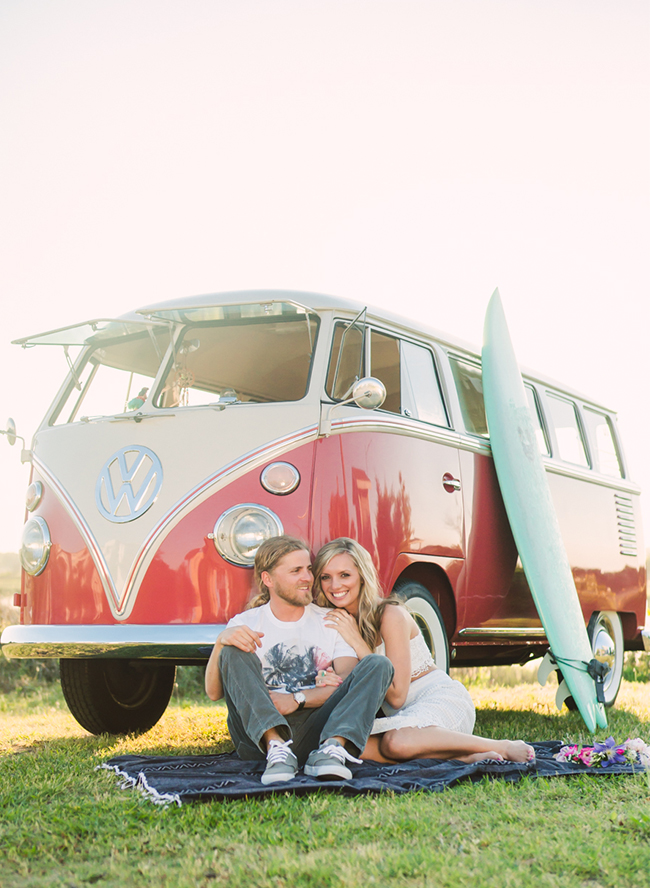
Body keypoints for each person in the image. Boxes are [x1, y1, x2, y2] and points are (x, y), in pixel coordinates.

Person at [312, 538, 535, 764]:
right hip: (401, 721)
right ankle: (466, 757)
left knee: (396, 743)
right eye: (325, 577)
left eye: (344, 575)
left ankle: (501, 746)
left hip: (437, 700)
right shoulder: (336, 621)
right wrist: (327, 678)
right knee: (347, 744)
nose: (334, 586)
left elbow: (397, 697)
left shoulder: (390, 614)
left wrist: (356, 640)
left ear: (362, 576)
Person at [205, 535, 394, 785]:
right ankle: (276, 748)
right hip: (257, 737)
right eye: (296, 571)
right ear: (268, 579)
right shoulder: (246, 623)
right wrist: (221, 642)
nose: (307, 578)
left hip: (316, 730)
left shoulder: (331, 620)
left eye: (308, 569)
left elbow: (348, 684)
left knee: (378, 664)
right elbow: (214, 693)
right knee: (233, 649)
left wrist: (297, 699)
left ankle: (331, 750)